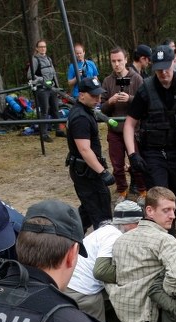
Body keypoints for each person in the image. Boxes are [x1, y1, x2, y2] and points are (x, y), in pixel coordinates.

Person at [124, 45, 176, 236]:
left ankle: (170, 223)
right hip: (154, 152)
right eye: (158, 68)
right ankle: (165, 236)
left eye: (166, 67)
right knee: (160, 196)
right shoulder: (146, 89)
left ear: (175, 62)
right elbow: (129, 124)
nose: (163, 72)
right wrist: (133, 155)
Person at [97, 187, 176, 322]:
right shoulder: (169, 243)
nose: (173, 216)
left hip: (120, 300)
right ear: (149, 211)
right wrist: (164, 297)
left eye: (173, 210)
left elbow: (114, 271)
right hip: (145, 308)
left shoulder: (121, 239)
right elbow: (174, 278)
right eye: (166, 210)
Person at [64, 199, 143, 321]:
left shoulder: (105, 230)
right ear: (126, 223)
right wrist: (132, 274)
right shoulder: (114, 237)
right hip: (82, 291)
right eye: (137, 223)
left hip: (68, 283)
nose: (139, 228)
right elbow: (101, 271)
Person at [66, 75, 114, 231]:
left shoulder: (85, 111)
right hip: (87, 173)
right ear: (81, 95)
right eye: (93, 95)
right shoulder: (80, 117)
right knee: (101, 213)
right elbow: (84, 149)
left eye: (99, 95)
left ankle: (71, 236)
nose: (98, 99)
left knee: (88, 209)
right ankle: (103, 248)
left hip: (87, 171)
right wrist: (103, 172)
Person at [101, 47, 146, 202]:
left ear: (126, 59)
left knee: (137, 162)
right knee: (117, 165)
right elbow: (102, 109)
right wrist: (110, 102)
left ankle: (143, 191)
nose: (117, 64)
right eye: (113, 61)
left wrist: (130, 99)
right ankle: (122, 191)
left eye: (119, 60)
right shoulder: (107, 81)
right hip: (114, 130)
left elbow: (145, 103)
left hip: (133, 129)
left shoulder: (137, 78)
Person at [29, 40, 63, 142]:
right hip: (42, 89)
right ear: (37, 48)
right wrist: (41, 81)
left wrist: (57, 86)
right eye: (41, 47)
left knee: (55, 109)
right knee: (45, 111)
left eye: (44, 46)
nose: (43, 48)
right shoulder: (35, 60)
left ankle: (58, 130)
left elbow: (53, 73)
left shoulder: (48, 59)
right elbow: (29, 75)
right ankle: (44, 134)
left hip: (52, 88)